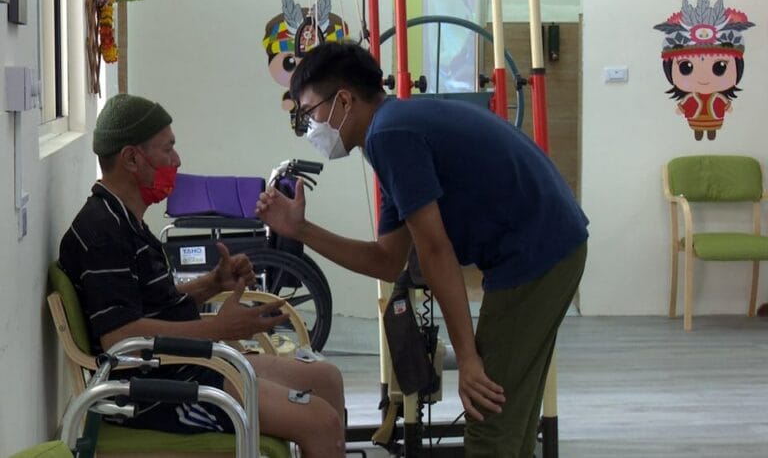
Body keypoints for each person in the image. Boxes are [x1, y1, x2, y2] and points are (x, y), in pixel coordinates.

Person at [256, 42, 588, 458]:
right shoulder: (390, 130)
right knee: (507, 415)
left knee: (488, 412)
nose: (310, 127)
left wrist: (467, 357)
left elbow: (435, 251)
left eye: (310, 113)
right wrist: (300, 230)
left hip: (537, 250)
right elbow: (387, 259)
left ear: (343, 100)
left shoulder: (390, 135)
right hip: (552, 242)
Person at [58, 93, 345, 458]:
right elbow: (121, 337)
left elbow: (155, 308)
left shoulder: (124, 221)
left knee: (326, 378)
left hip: (184, 367)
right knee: (321, 423)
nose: (177, 160)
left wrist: (213, 283)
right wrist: (219, 329)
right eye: (167, 149)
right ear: (131, 158)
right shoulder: (102, 232)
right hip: (155, 392)